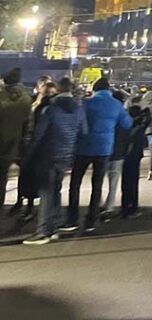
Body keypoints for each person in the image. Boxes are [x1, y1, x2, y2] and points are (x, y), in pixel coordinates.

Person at [22, 77, 88, 245]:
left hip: (48, 154)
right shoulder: (79, 109)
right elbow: (84, 132)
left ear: (58, 89)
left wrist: (28, 155)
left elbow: (38, 135)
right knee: (56, 190)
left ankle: (43, 231)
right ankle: (55, 226)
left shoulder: (51, 109)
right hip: (66, 155)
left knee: (46, 193)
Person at [63, 75, 132, 234]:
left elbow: (78, 123)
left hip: (83, 147)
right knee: (97, 184)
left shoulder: (86, 103)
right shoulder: (116, 105)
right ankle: (91, 220)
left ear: (94, 90)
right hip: (104, 149)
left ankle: (72, 218)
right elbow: (127, 124)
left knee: (75, 183)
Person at [13, 78, 58, 220]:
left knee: (38, 180)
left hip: (39, 146)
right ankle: (25, 204)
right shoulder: (36, 104)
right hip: (32, 144)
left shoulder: (47, 108)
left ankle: (33, 209)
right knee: (28, 176)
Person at [0, 68, 33, 211]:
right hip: (11, 145)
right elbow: (28, 124)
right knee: (2, 179)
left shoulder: (1, 97)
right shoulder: (26, 100)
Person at [101, 89, 130, 221]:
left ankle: (98, 204)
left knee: (98, 180)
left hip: (104, 150)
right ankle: (109, 208)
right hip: (118, 152)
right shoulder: (123, 116)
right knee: (113, 182)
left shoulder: (106, 113)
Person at [122, 105, 149, 217]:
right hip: (135, 155)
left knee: (125, 182)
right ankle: (133, 207)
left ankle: (125, 206)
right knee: (133, 182)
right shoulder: (140, 127)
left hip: (125, 155)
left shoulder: (125, 125)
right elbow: (147, 121)